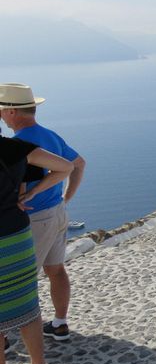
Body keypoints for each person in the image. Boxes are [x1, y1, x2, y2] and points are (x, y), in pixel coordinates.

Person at [0, 83, 86, 341]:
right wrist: (65, 198)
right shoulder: (49, 135)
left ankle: (3, 341)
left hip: (35, 219)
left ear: (12, 112)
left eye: (1, 109)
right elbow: (78, 163)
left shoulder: (18, 145)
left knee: (19, 281)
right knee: (56, 270)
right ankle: (59, 323)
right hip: (57, 213)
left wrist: (30, 195)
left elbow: (19, 188)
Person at [0, 125, 74, 364]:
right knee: (26, 299)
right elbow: (66, 167)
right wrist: (29, 194)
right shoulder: (15, 149)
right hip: (16, 235)